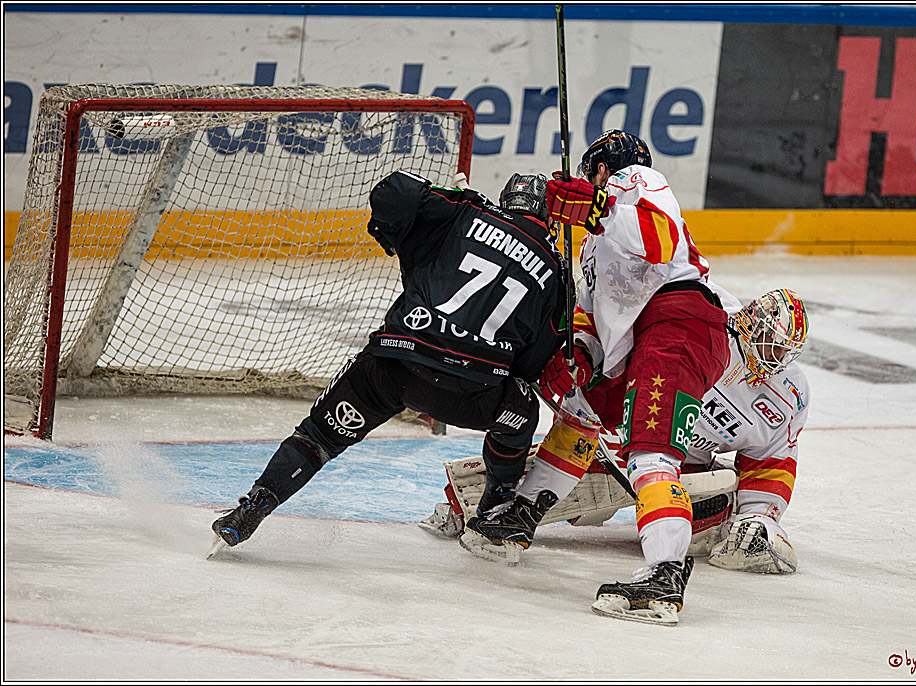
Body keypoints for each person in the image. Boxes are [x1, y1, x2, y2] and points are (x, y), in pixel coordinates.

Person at [208, 170, 566, 556]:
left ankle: (253, 508)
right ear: (548, 215)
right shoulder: (557, 272)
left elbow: (394, 189)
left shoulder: (465, 211)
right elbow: (532, 365)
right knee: (521, 412)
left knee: (317, 437)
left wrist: (429, 212)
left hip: (394, 367)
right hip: (471, 393)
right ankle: (492, 513)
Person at [460, 129, 735, 624]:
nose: (588, 183)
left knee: (651, 451)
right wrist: (579, 359)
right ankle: (522, 516)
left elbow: (660, 240)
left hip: (678, 321)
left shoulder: (639, 180)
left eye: (592, 175)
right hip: (634, 343)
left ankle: (665, 577)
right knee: (580, 413)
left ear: (603, 168)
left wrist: (594, 206)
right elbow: (590, 319)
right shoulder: (590, 245)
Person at [452, 286, 809, 597]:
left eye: (783, 351)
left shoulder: (788, 394)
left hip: (685, 466)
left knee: (717, 505)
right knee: (585, 433)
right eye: (772, 343)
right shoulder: (705, 319)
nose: (774, 356)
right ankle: (497, 504)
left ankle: (664, 554)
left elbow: (772, 460)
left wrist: (759, 517)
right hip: (622, 433)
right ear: (751, 321)